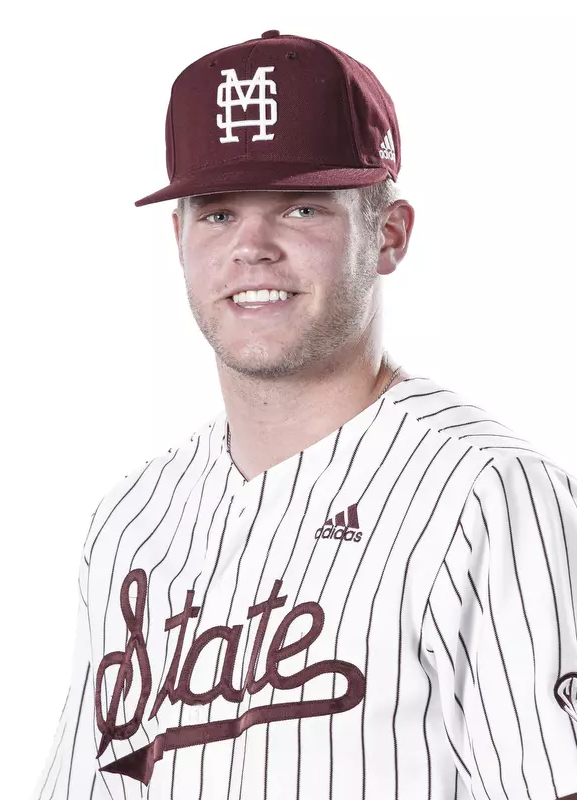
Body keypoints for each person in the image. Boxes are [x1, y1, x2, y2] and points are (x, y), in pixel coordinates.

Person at [31, 30, 577, 800]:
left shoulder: (487, 493)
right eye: (218, 214)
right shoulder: (131, 519)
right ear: (178, 238)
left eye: (301, 208)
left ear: (388, 235)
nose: (252, 248)